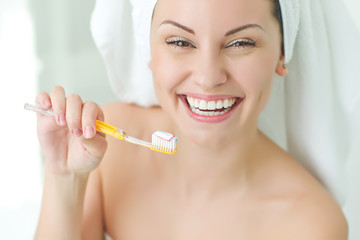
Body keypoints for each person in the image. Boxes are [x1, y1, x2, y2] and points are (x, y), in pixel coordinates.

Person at [34, 0, 348, 239]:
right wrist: (63, 178)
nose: (208, 78)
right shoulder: (108, 151)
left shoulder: (309, 223)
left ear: (282, 51)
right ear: (150, 50)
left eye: (241, 43)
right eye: (180, 42)